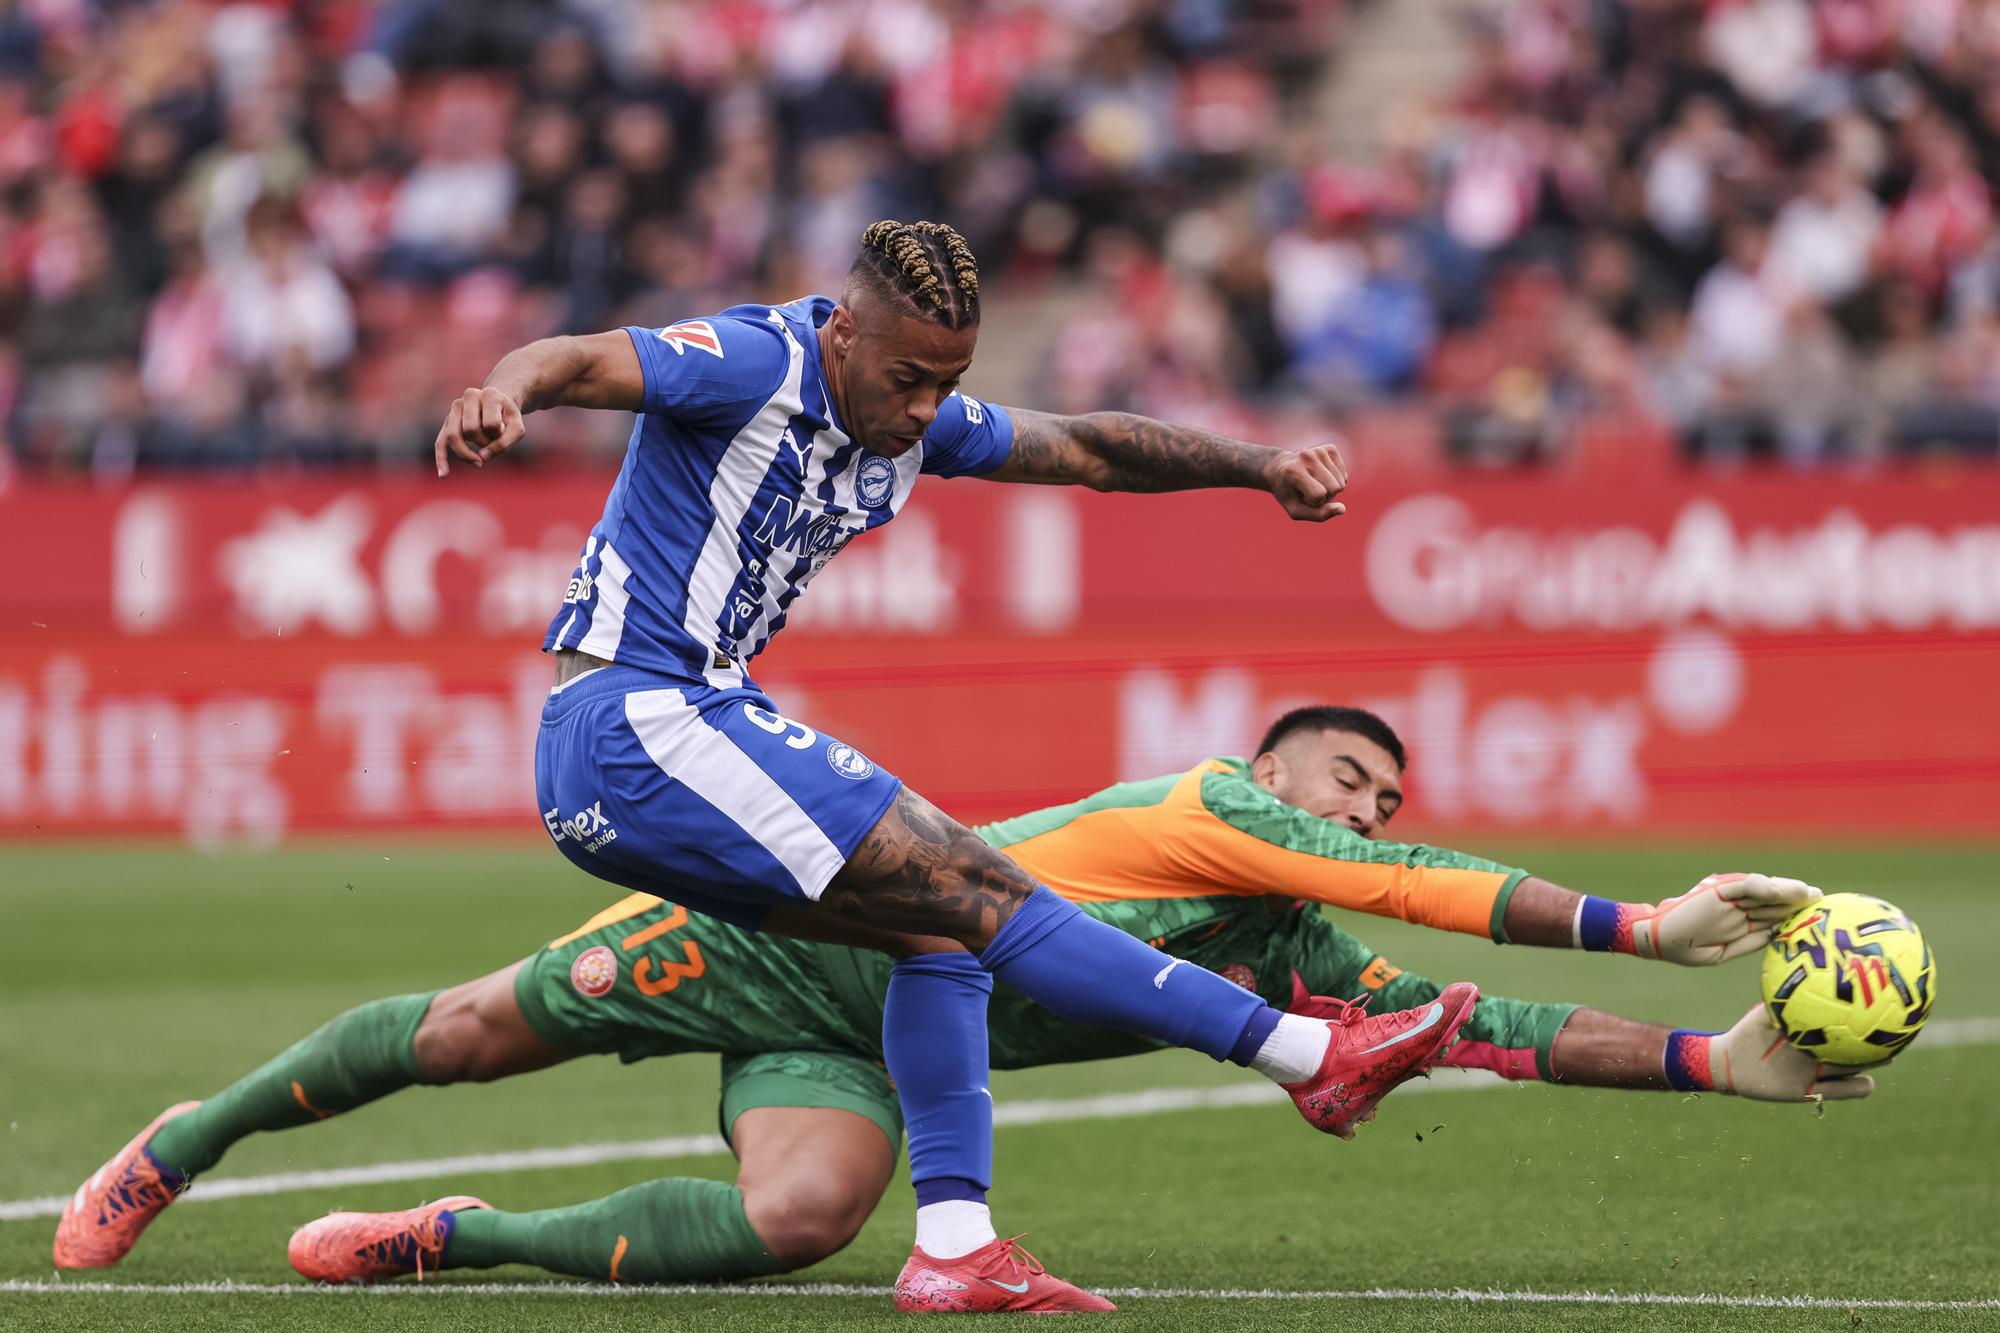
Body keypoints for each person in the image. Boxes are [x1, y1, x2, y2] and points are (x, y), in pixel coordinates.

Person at [431, 216, 1476, 1312]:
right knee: (975, 878)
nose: (927, 406)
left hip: (665, 741)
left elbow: (1088, 449)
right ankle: (1306, 1056)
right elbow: (581, 357)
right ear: (842, 332)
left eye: (948, 380)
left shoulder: (911, 421)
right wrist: (503, 390)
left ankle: (954, 1245)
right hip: (636, 719)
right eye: (908, 377)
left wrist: (1258, 466)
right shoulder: (756, 361)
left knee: (937, 936)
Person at [54, 706, 1847, 1298]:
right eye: (1342, 772)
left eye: (1383, 792)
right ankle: (184, 1141)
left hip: (860, 1029)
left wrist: (1720, 1064)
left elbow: (1488, 1023)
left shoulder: (1305, 941)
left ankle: (449, 1234)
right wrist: (1642, 919)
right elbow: (1424, 890)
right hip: (782, 932)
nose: (1364, 806)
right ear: (1273, 759)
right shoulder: (1205, 801)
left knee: (801, 1221)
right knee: (458, 1034)